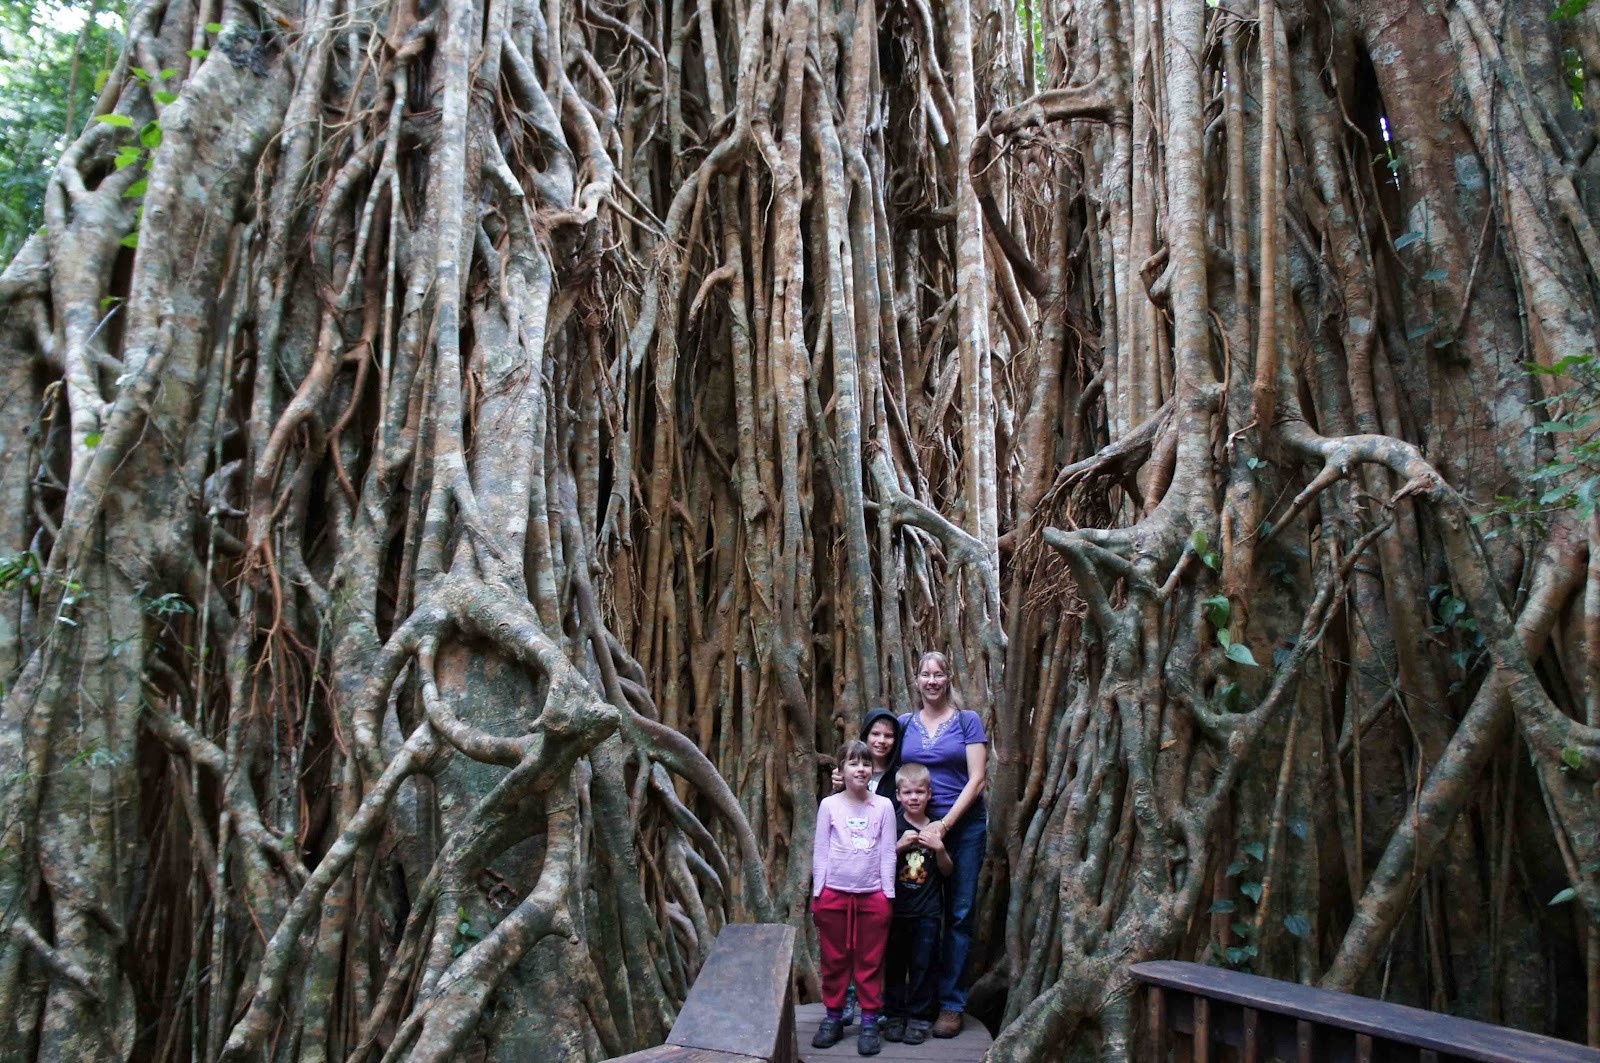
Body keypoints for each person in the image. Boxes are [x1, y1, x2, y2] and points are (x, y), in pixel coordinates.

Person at [897, 650, 988, 1038]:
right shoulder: (903, 724)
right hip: (915, 832)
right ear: (916, 680)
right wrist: (842, 782)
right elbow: (883, 767)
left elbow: (977, 779)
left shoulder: (967, 722)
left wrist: (945, 827)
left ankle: (951, 1004)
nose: (931, 681)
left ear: (949, 678)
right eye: (925, 674)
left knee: (960, 913)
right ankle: (914, 1001)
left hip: (961, 829)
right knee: (917, 915)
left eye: (938, 674)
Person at [811, 739, 897, 1056]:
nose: (860, 769)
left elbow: (888, 853)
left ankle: (870, 1021)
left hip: (872, 896)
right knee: (833, 960)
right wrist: (819, 892)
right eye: (853, 763)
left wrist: (887, 895)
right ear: (841, 770)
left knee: (869, 963)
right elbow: (820, 850)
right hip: (834, 893)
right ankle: (834, 1017)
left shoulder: (884, 806)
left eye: (865, 763)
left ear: (872, 768)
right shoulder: (829, 805)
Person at [827, 708, 905, 1028]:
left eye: (888, 735)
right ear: (865, 735)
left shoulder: (899, 776)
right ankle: (847, 997)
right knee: (846, 940)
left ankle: (879, 1003)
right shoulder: (849, 772)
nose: (882, 740)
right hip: (847, 873)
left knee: (880, 942)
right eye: (876, 733)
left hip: (886, 869)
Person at [881, 763, 950, 1045]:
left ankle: (920, 1016)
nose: (913, 798)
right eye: (907, 792)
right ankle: (894, 1015)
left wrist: (940, 848)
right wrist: (897, 846)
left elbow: (948, 871)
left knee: (924, 965)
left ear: (929, 794)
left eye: (919, 792)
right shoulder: (892, 823)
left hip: (928, 912)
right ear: (897, 795)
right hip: (897, 910)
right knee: (895, 964)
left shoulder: (937, 826)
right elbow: (878, 862)